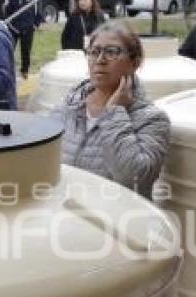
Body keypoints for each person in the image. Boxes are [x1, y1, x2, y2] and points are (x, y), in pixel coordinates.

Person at [51, 19, 170, 199]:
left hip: (117, 221)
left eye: (111, 52)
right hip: (67, 217)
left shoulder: (152, 119)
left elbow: (136, 180)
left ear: (134, 62)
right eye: (94, 52)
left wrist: (114, 113)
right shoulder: (67, 108)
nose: (100, 60)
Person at [6, 0, 44, 80]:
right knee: (9, 49)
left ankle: (25, 71)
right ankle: (7, 70)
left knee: (26, 51)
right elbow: (8, 10)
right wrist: (10, 24)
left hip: (28, 30)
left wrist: (35, 25)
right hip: (14, 29)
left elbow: (39, 14)